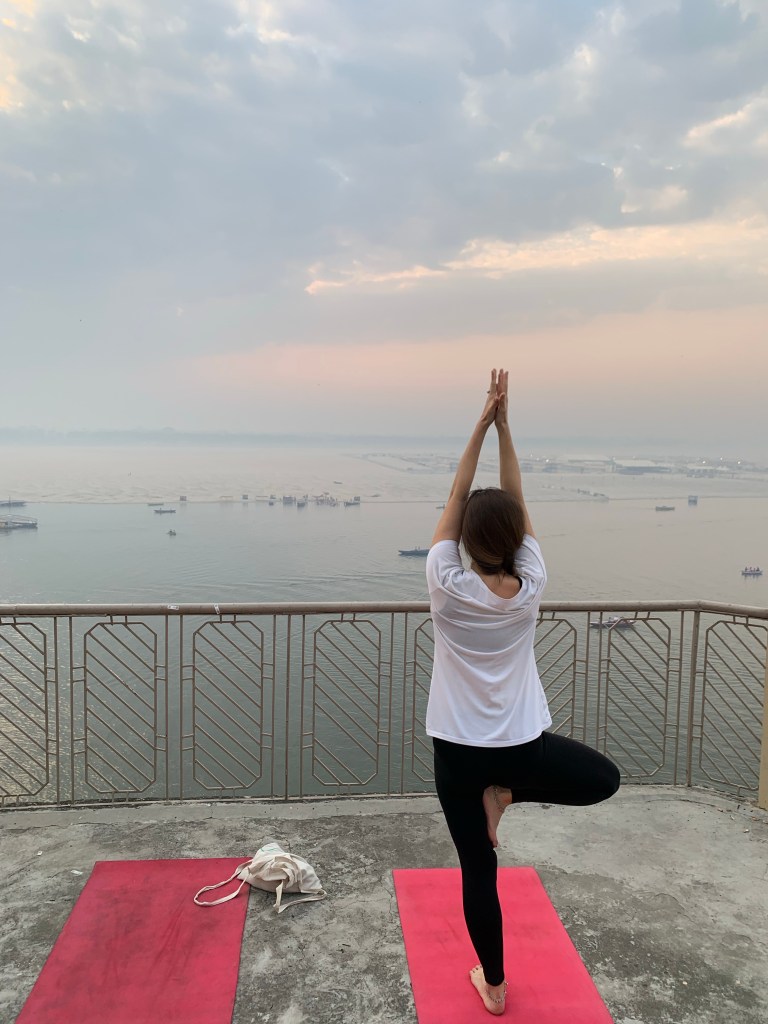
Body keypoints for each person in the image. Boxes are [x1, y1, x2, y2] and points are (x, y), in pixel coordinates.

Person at [426, 368, 620, 1015]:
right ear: (514, 544)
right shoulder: (531, 584)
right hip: (519, 744)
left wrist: (481, 423)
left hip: (458, 750)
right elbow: (514, 500)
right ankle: (508, 791)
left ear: (464, 547)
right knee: (604, 779)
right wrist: (508, 428)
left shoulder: (446, 586)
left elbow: (457, 498)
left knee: (479, 870)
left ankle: (496, 986)